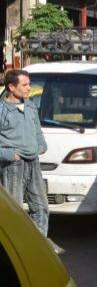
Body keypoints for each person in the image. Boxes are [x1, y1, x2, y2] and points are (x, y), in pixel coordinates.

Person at [0, 70, 50, 239]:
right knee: (15, 214)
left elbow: (37, 131)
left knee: (41, 208)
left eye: (29, 83)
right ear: (11, 87)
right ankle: (17, 256)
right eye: (25, 84)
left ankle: (38, 248)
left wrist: (41, 145)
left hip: (33, 163)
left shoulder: (30, 105)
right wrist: (9, 155)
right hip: (13, 167)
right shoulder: (1, 110)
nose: (30, 87)